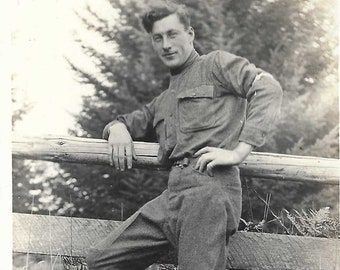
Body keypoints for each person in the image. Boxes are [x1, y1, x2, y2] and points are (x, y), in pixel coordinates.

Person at [87, 1, 282, 269]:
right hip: (172, 197)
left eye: (173, 34)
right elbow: (128, 122)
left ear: (190, 34)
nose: (166, 44)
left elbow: (268, 88)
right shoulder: (164, 100)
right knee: (101, 260)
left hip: (209, 192)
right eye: (158, 38)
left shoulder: (216, 65)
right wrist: (116, 128)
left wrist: (238, 151)